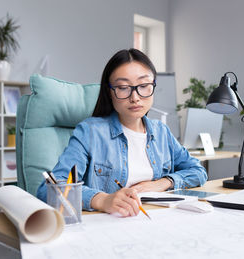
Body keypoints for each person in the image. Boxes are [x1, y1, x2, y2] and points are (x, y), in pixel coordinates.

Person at [37, 48, 207, 217]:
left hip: (158, 219)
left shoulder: (161, 132)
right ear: (110, 92)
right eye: (123, 87)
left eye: (144, 85)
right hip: (110, 225)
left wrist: (163, 183)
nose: (135, 97)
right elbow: (48, 190)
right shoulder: (90, 132)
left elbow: (198, 171)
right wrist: (102, 200)